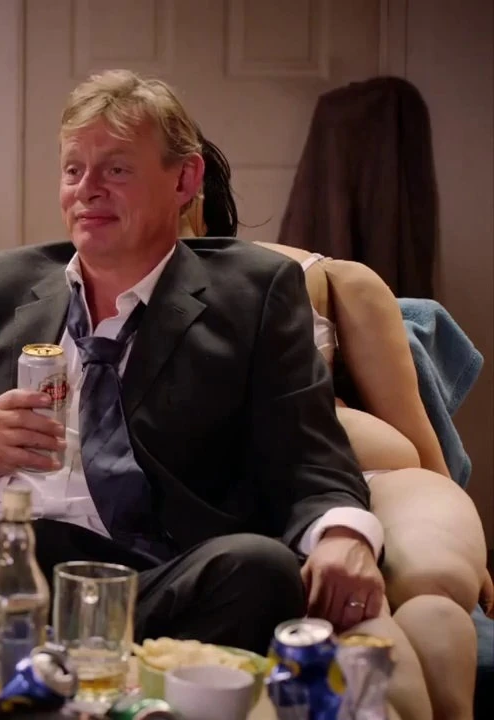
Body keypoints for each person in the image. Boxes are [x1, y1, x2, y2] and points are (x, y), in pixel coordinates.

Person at [0, 69, 386, 657]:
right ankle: (44, 662)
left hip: (144, 583)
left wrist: (344, 534)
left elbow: (314, 460)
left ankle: (50, 667)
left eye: (117, 170)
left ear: (184, 179)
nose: (88, 190)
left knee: (260, 568)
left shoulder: (255, 295)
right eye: (73, 170)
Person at [181, 130, 489, 720]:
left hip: (380, 478)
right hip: (272, 497)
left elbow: (417, 441)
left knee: (438, 578)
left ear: (189, 190)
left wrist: (460, 521)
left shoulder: (319, 276)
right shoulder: (100, 293)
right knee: (351, 610)